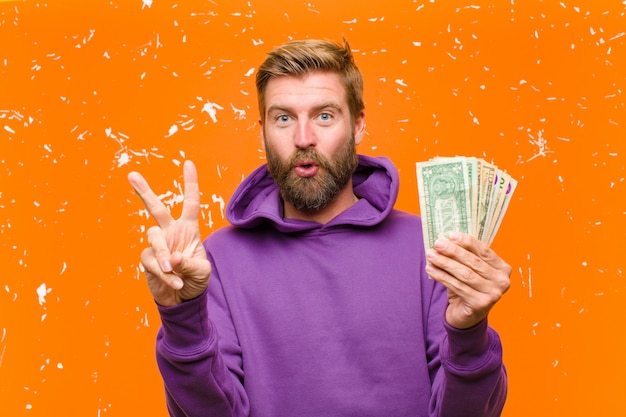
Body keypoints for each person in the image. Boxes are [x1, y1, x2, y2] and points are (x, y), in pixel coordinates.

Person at [128, 38, 511, 417]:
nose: (303, 138)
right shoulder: (215, 260)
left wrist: (471, 334)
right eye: (284, 118)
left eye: (324, 116)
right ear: (262, 130)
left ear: (358, 124)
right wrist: (182, 319)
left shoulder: (433, 247)